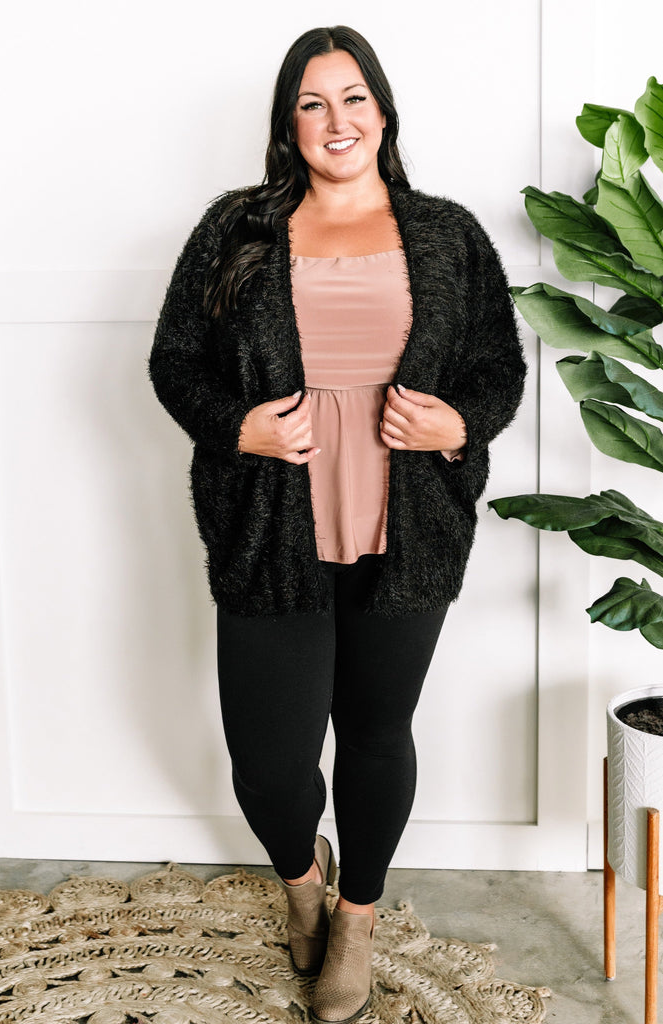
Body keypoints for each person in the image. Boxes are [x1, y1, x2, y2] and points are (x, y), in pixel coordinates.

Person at [149, 25, 526, 1024]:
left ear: (383, 112)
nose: (336, 120)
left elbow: (497, 365)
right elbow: (174, 362)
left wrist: (459, 424)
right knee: (269, 762)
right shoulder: (236, 229)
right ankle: (301, 881)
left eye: (353, 97)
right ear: (289, 124)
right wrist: (238, 428)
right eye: (312, 103)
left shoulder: (445, 234)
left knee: (373, 731)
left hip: (409, 529)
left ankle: (355, 917)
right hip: (267, 527)